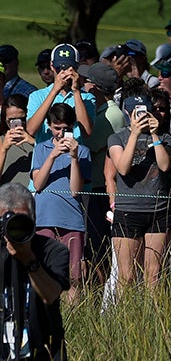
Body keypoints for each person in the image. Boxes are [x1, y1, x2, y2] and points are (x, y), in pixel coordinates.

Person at [0, 183, 71, 361]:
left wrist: (29, 259)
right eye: (8, 221)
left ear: (34, 219)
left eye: (22, 221)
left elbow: (51, 295)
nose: (15, 228)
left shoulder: (52, 251)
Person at [108, 85, 171, 295]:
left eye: (145, 111)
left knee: (153, 275)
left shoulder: (165, 137)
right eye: (136, 112)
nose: (142, 116)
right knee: (126, 276)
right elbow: (123, 168)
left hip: (158, 209)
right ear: (128, 113)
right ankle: (125, 323)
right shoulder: (117, 138)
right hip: (129, 209)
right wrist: (135, 134)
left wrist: (154, 134)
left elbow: (164, 166)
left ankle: (152, 321)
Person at [30, 104, 91, 304]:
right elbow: (38, 184)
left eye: (65, 128)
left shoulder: (82, 152)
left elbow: (75, 190)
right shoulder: (41, 149)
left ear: (72, 127)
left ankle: (72, 316)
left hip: (71, 220)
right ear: (49, 126)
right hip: (44, 219)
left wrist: (73, 158)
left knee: (73, 277)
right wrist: (53, 154)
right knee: (43, 272)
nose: (61, 133)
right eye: (57, 128)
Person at [0, 95, 34, 186]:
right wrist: (4, 149)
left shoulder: (39, 137)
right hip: (9, 196)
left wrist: (33, 142)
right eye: (11, 120)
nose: (17, 124)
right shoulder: (1, 141)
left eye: (21, 119)